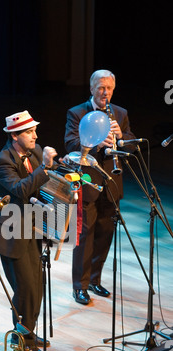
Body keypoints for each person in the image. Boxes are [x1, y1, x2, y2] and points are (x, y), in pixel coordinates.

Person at [64, 69, 136, 305]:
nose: (105, 93)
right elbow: (70, 144)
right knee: (85, 236)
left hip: (112, 183)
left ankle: (95, 280)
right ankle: (80, 286)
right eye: (101, 88)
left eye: (109, 88)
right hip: (87, 182)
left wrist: (122, 139)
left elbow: (130, 146)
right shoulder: (77, 113)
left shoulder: (120, 113)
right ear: (92, 88)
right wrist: (94, 142)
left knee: (105, 235)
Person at [0, 110, 57, 351]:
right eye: (30, 132)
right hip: (13, 232)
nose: (35, 136)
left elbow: (45, 180)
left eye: (35, 131)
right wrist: (45, 167)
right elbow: (20, 189)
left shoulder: (35, 152)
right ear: (15, 135)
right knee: (24, 288)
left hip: (33, 230)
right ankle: (21, 340)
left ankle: (28, 332)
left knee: (37, 286)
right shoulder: (2, 160)